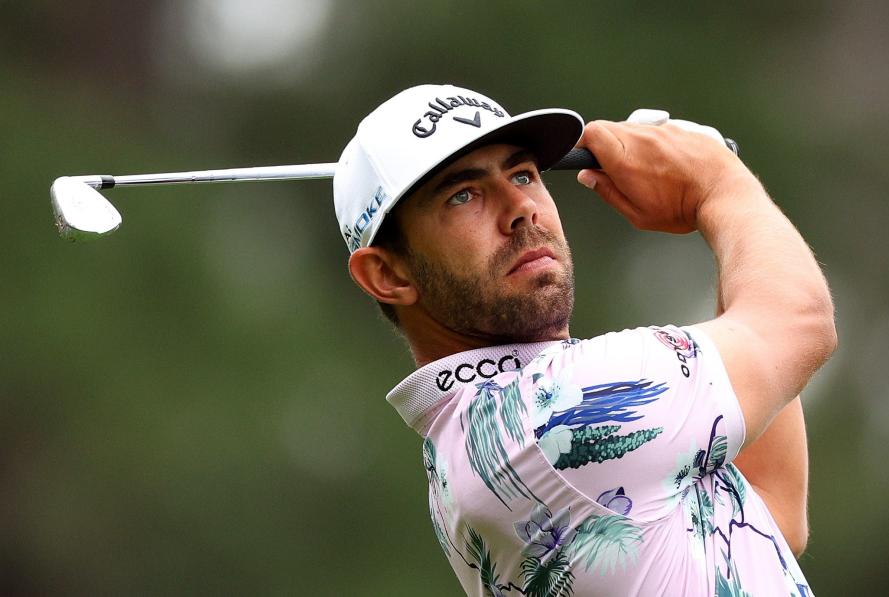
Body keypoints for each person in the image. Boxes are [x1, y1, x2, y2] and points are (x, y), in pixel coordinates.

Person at [332, 84, 836, 596]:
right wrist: (717, 184)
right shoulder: (550, 411)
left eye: (522, 174)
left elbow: (770, 512)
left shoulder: (476, 434)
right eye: (464, 195)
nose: (520, 208)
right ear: (387, 274)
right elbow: (801, 323)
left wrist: (719, 201)